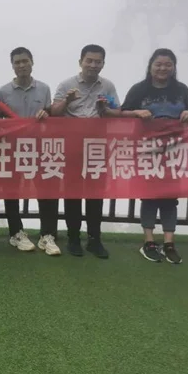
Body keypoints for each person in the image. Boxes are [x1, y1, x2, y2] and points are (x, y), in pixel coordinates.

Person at [121, 49, 188, 264]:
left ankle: (169, 243)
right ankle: (149, 241)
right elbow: (122, 113)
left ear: (174, 67)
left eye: (168, 64)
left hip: (174, 151)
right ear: (151, 66)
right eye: (158, 64)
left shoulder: (181, 90)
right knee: (149, 196)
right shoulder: (139, 89)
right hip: (147, 150)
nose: (163, 68)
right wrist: (136, 113)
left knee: (170, 197)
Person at [51, 44, 120, 259]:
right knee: (72, 194)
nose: (93, 65)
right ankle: (73, 238)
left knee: (95, 195)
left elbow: (117, 112)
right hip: (72, 147)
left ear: (103, 64)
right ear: (80, 61)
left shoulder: (107, 85)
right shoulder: (66, 85)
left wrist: (105, 109)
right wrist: (68, 100)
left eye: (98, 61)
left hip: (97, 147)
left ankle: (94, 239)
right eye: (89, 60)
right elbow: (54, 112)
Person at [0, 47, 60, 255]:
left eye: (25, 61)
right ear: (12, 66)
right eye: (17, 62)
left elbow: (50, 113)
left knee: (47, 189)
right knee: (11, 191)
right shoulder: (3, 91)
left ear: (32, 62)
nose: (22, 65)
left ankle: (47, 235)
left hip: (40, 147)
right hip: (13, 149)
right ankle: (16, 233)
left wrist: (46, 114)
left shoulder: (44, 89)